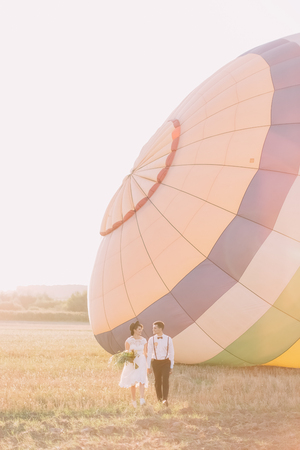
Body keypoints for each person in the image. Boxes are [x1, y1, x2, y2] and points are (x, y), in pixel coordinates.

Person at [119, 321, 148, 407]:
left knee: (142, 379)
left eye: (141, 329)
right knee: (133, 382)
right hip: (132, 362)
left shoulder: (144, 340)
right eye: (139, 329)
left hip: (141, 361)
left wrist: (147, 364)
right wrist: (130, 358)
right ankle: (133, 400)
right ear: (134, 330)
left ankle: (142, 399)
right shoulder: (129, 340)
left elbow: (145, 353)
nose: (140, 331)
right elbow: (126, 352)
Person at [147, 321, 174, 407]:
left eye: (155, 328)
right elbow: (149, 352)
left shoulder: (168, 339)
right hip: (156, 362)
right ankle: (159, 399)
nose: (153, 329)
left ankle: (165, 399)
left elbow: (171, 353)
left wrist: (171, 365)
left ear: (160, 328)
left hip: (165, 362)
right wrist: (148, 366)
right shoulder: (151, 339)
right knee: (157, 381)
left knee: (165, 380)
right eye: (153, 328)